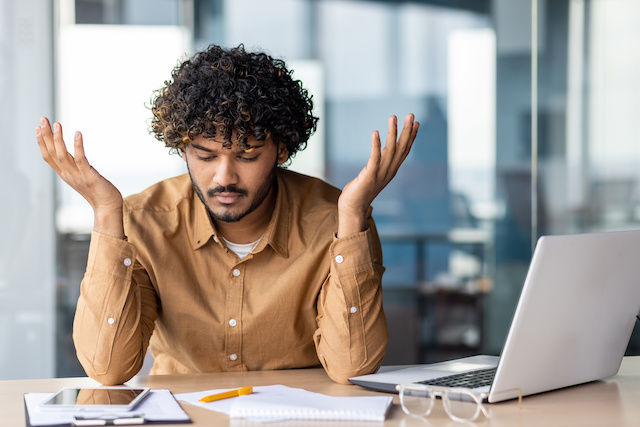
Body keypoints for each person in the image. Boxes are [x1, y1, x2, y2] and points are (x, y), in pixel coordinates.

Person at [36, 44, 419, 385]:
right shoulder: (143, 221)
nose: (224, 177)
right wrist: (106, 214)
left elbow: (353, 367)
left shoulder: (336, 222)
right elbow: (107, 369)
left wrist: (352, 216)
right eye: (205, 156)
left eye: (247, 156)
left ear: (281, 150)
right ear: (182, 149)